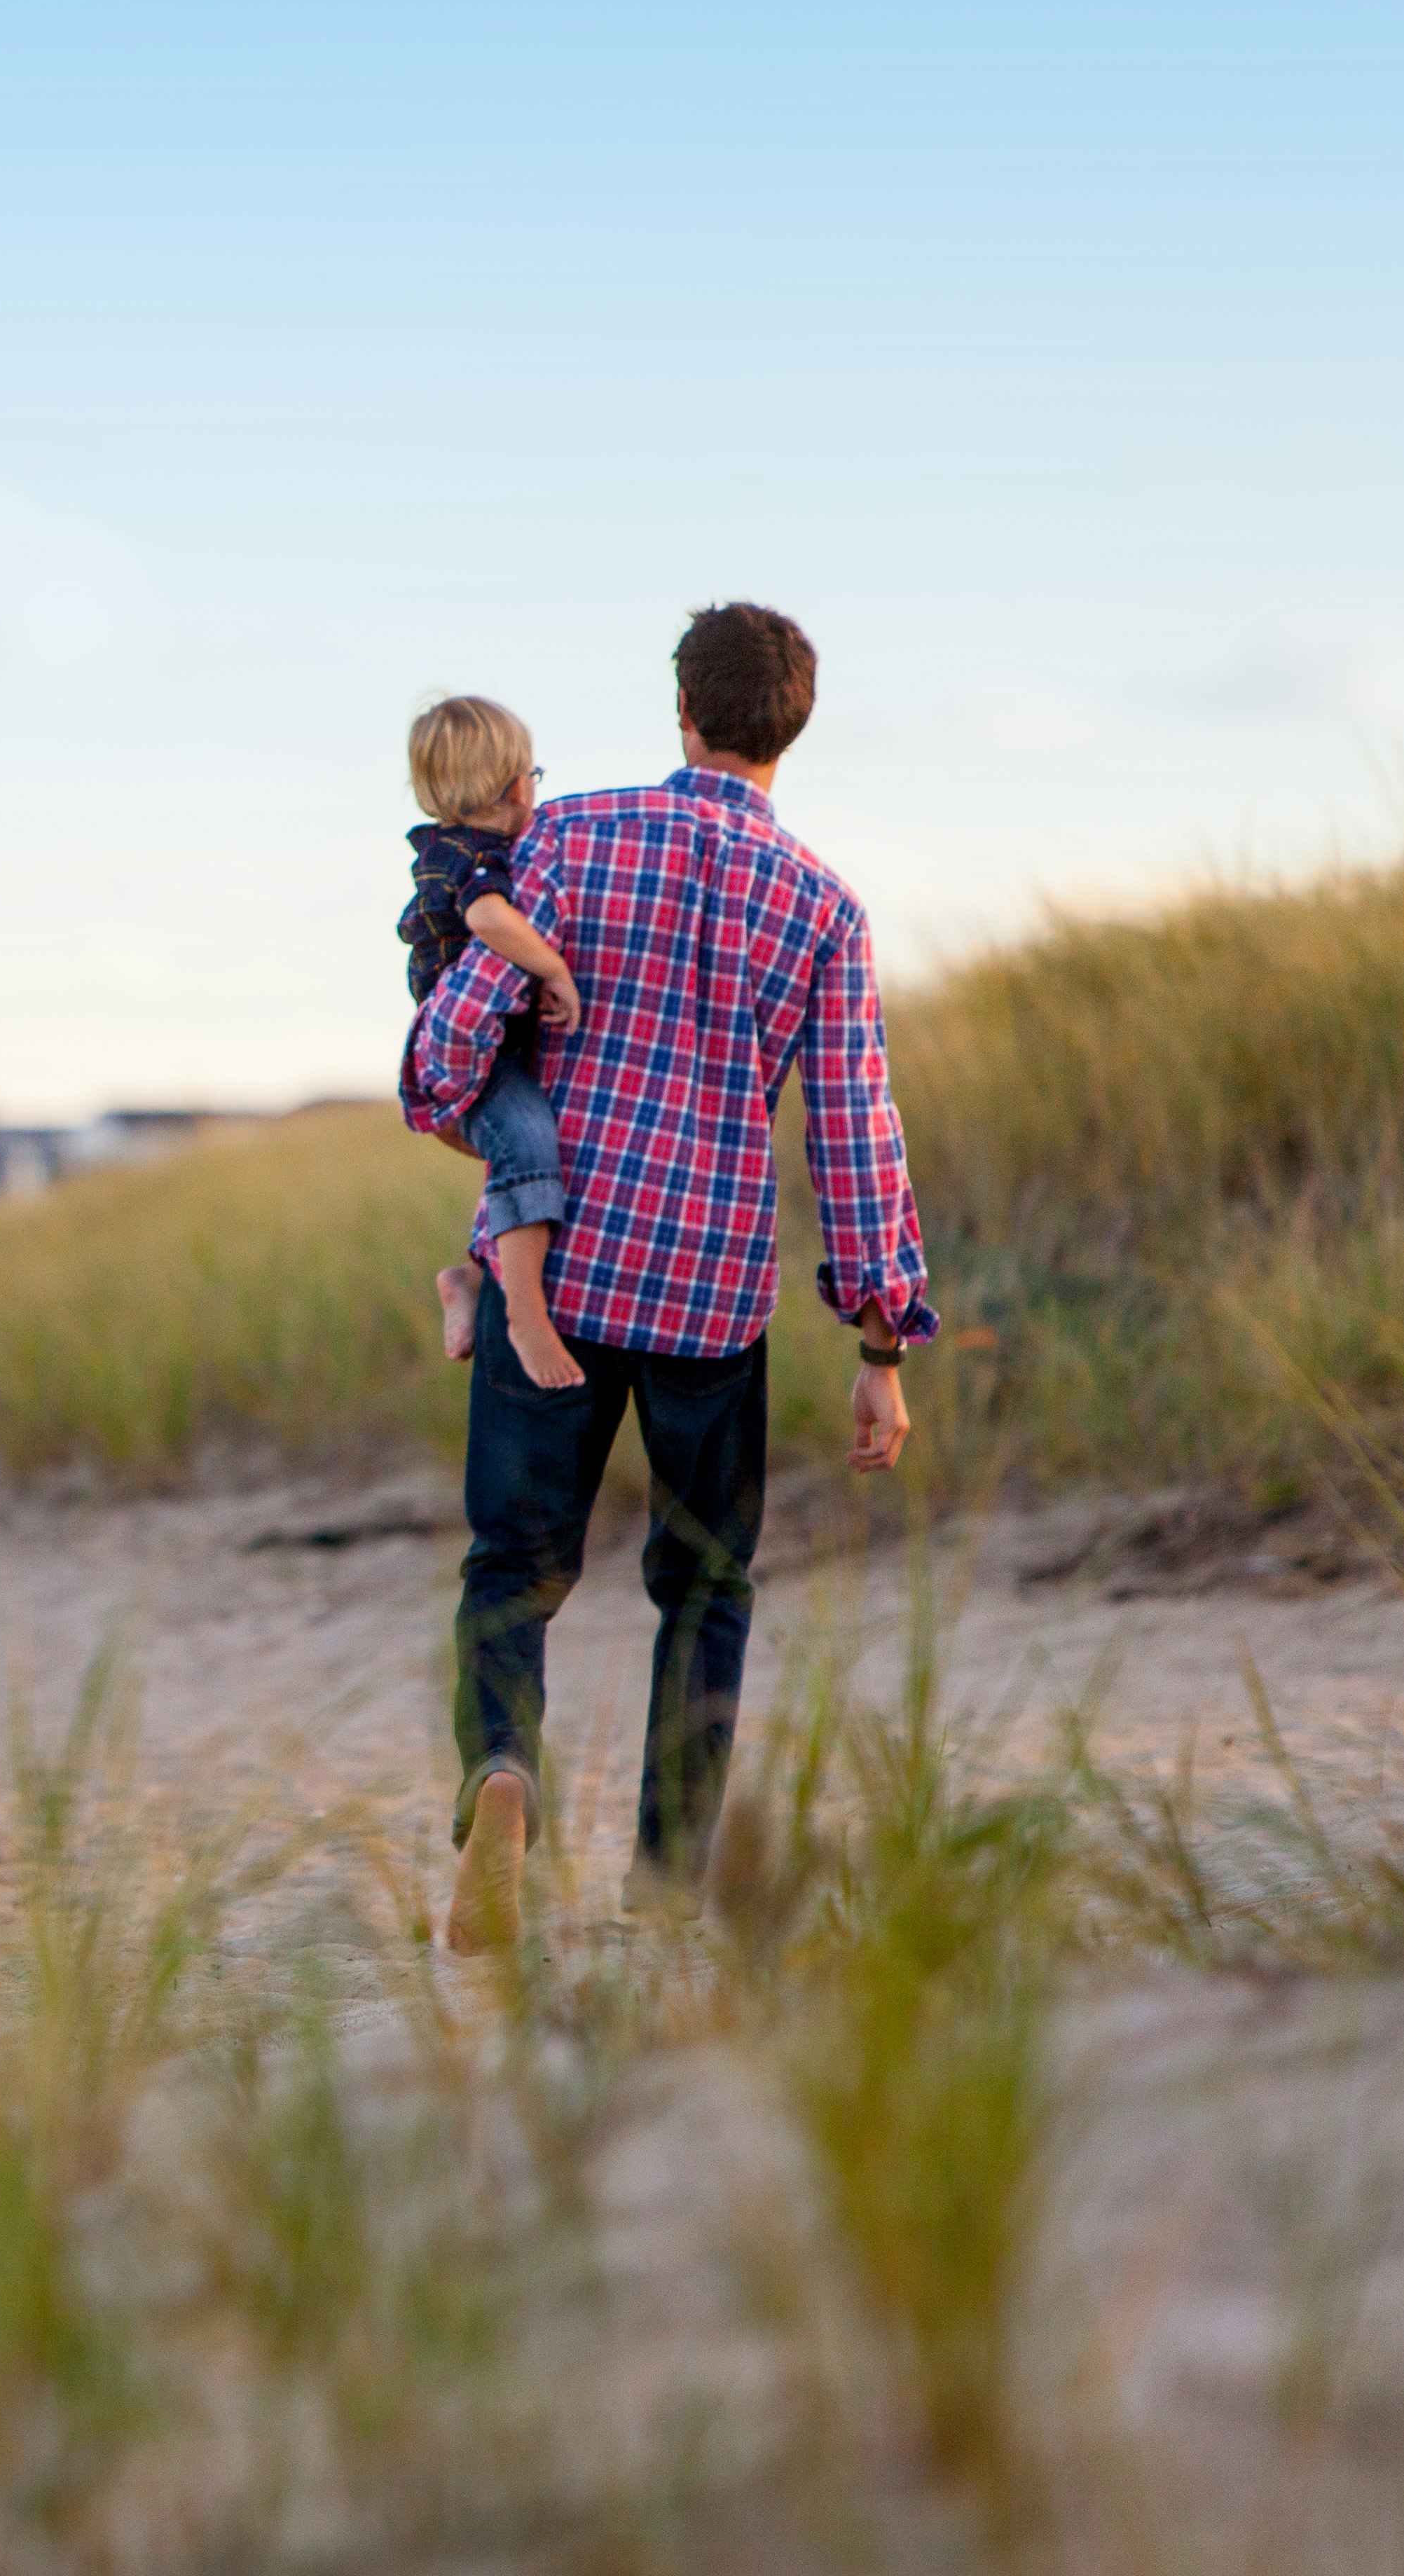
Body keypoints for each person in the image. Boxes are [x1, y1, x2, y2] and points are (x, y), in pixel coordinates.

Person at [401, 603, 932, 1952]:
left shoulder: (569, 835)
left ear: (681, 711)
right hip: (709, 1295)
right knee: (705, 1587)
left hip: (560, 1272)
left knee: (510, 1570)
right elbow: (856, 1129)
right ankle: (669, 1881)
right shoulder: (823, 903)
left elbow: (451, 1040)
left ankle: (502, 1776)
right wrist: (879, 1349)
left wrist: (457, 1100)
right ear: (789, 728)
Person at [396, 696, 588, 1390]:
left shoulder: (453, 846)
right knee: (531, 1143)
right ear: (515, 784)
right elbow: (487, 919)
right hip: (469, 1057)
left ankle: (470, 1278)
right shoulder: (471, 857)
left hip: (486, 1049)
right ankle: (525, 1317)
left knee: (518, 1154)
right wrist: (552, 965)